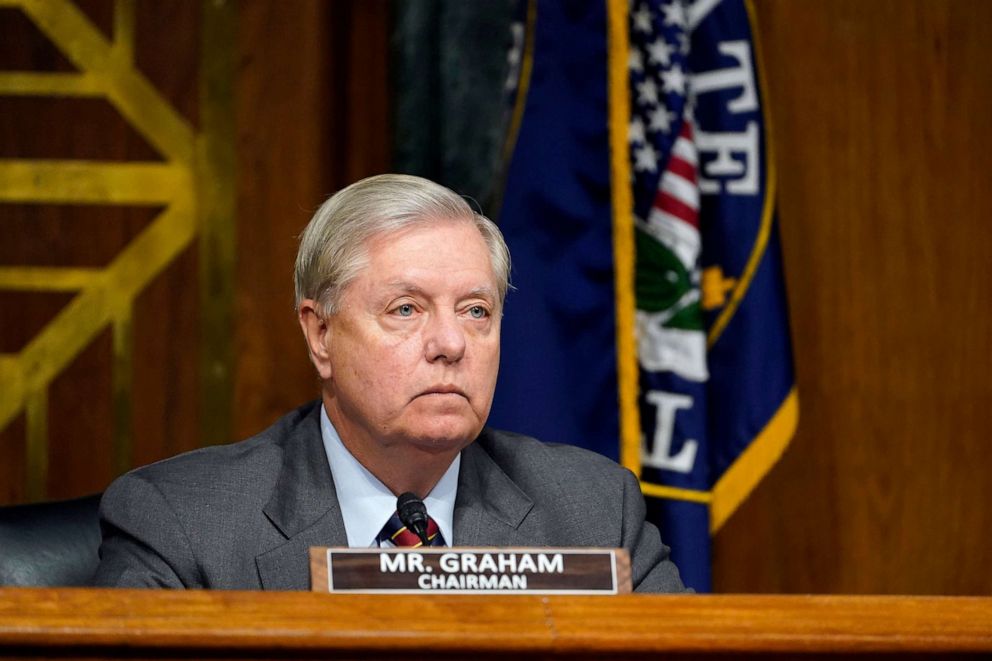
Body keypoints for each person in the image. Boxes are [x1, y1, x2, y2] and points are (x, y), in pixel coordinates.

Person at [94, 174, 687, 592]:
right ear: (320, 334)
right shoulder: (183, 522)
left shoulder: (593, 511)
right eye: (406, 309)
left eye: (476, 311)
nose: (451, 344)